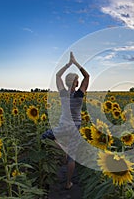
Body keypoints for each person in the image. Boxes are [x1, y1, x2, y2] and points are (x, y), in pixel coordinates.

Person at [42, 51, 89, 190]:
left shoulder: (63, 93)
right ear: (77, 82)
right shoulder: (80, 94)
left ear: (68, 82)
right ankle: (68, 183)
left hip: (63, 126)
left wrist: (68, 64)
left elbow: (57, 75)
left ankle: (62, 148)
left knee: (44, 137)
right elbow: (87, 76)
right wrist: (75, 63)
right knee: (71, 157)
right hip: (76, 127)